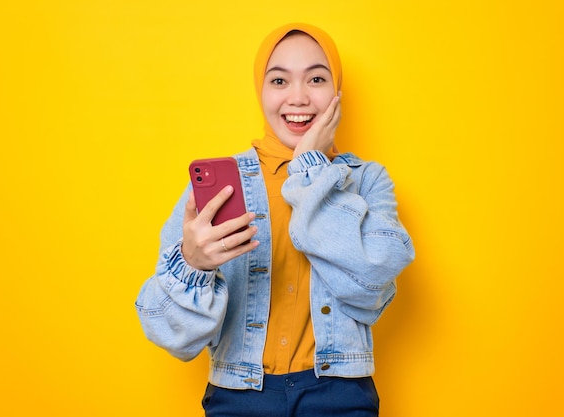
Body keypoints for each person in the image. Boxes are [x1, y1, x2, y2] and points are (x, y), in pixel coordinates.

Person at [135, 22, 415, 417]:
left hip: (340, 395)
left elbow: (371, 284)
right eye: (279, 80)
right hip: (239, 397)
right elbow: (171, 336)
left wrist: (309, 167)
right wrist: (193, 263)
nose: (298, 98)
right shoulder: (216, 189)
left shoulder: (366, 181)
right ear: (260, 90)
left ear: (336, 90)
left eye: (316, 78)